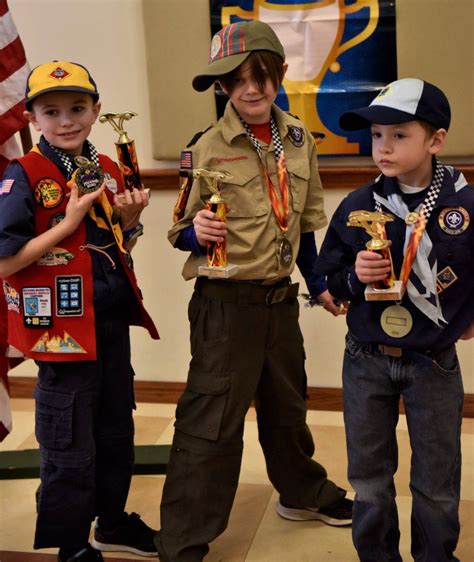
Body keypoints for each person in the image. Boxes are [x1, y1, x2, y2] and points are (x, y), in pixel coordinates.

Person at [157, 19, 353, 562]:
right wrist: (195, 232)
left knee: (288, 406)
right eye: (235, 80)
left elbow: (305, 225)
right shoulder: (204, 148)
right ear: (222, 87)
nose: (250, 89)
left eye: (260, 75)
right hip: (225, 308)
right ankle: (184, 539)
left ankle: (301, 491)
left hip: (279, 302)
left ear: (280, 74)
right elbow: (178, 230)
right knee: (213, 422)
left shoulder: (298, 141)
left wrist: (317, 285)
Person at [0, 61, 160, 561]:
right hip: (62, 334)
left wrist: (129, 224)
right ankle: (71, 544)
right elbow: (6, 261)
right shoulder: (23, 173)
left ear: (96, 110)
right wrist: (68, 220)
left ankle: (111, 521)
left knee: (116, 431)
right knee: (68, 441)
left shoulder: (106, 168)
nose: (66, 120)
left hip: (109, 321)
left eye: (76, 108)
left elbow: (116, 248)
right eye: (52, 111)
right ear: (33, 117)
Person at [316, 78, 474, 561]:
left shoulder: (464, 204)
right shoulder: (359, 205)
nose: (383, 147)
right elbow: (325, 279)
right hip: (365, 359)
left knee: (436, 476)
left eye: (399, 135)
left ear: (436, 140)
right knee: (368, 476)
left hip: (433, 361)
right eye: (377, 135)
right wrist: (352, 281)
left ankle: (434, 556)